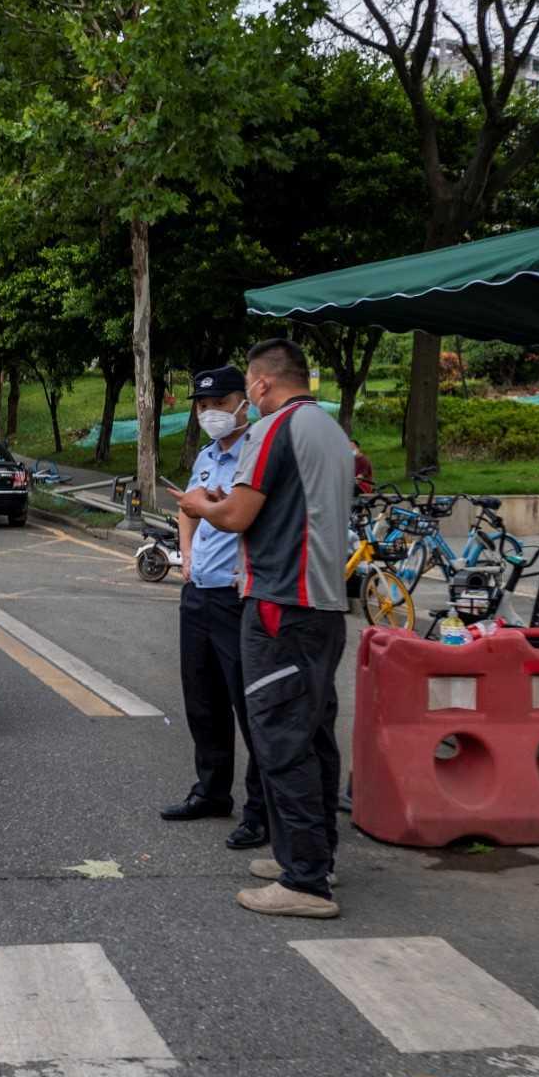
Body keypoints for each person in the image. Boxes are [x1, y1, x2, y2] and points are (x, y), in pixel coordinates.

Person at [173, 338, 351, 920]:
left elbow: (240, 516)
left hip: (280, 601)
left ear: (262, 385)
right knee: (314, 734)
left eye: (247, 386)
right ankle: (313, 856)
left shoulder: (275, 429)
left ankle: (305, 881)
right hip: (323, 602)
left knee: (280, 738)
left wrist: (203, 506)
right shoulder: (330, 430)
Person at [159, 366, 268, 853]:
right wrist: (186, 558)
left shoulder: (256, 456)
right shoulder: (206, 456)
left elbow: (246, 516)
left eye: (219, 404)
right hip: (199, 593)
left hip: (236, 595)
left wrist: (212, 510)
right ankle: (211, 790)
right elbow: (190, 507)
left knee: (250, 704)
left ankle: (260, 810)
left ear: (242, 402)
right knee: (202, 700)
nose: (210, 414)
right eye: (202, 406)